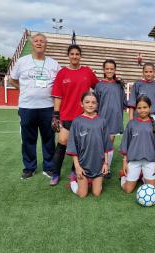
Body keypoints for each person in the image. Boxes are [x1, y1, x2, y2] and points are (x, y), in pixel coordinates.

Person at [9, 33, 61, 180]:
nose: (39, 43)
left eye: (42, 41)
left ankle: (49, 167)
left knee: (48, 138)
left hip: (48, 107)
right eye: (36, 41)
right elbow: (12, 80)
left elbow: (60, 83)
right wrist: (24, 89)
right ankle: (29, 168)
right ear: (32, 43)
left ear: (46, 45)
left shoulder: (54, 64)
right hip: (27, 107)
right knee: (28, 139)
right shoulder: (22, 62)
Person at [49, 44, 99, 186]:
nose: (75, 56)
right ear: (68, 56)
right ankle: (56, 173)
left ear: (80, 56)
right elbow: (57, 96)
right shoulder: (62, 73)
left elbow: (98, 87)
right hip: (66, 115)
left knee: (80, 145)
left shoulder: (87, 72)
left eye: (77, 54)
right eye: (72, 54)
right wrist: (56, 114)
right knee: (62, 143)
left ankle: (74, 171)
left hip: (84, 116)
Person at [66, 91, 112, 198]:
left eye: (93, 102)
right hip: (83, 165)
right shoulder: (77, 122)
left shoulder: (102, 121)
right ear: (81, 104)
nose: (90, 105)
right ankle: (73, 179)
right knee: (82, 194)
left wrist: (105, 163)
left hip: (98, 165)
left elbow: (106, 145)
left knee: (96, 193)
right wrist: (77, 167)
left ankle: (93, 181)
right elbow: (73, 146)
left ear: (97, 105)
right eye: (87, 102)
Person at [120, 96, 155, 193]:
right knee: (128, 190)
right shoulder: (131, 124)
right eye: (139, 108)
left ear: (150, 108)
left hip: (150, 160)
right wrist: (125, 161)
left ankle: (143, 177)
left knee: (151, 190)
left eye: (145, 107)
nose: (142, 110)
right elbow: (125, 143)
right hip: (134, 160)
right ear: (136, 109)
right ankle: (123, 178)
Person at [94, 59, 127, 178]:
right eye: (107, 68)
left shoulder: (119, 86)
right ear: (103, 70)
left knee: (110, 143)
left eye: (111, 69)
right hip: (101, 118)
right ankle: (98, 166)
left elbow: (124, 102)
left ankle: (106, 167)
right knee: (100, 143)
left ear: (115, 70)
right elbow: (95, 103)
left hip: (114, 119)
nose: (109, 71)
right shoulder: (99, 85)